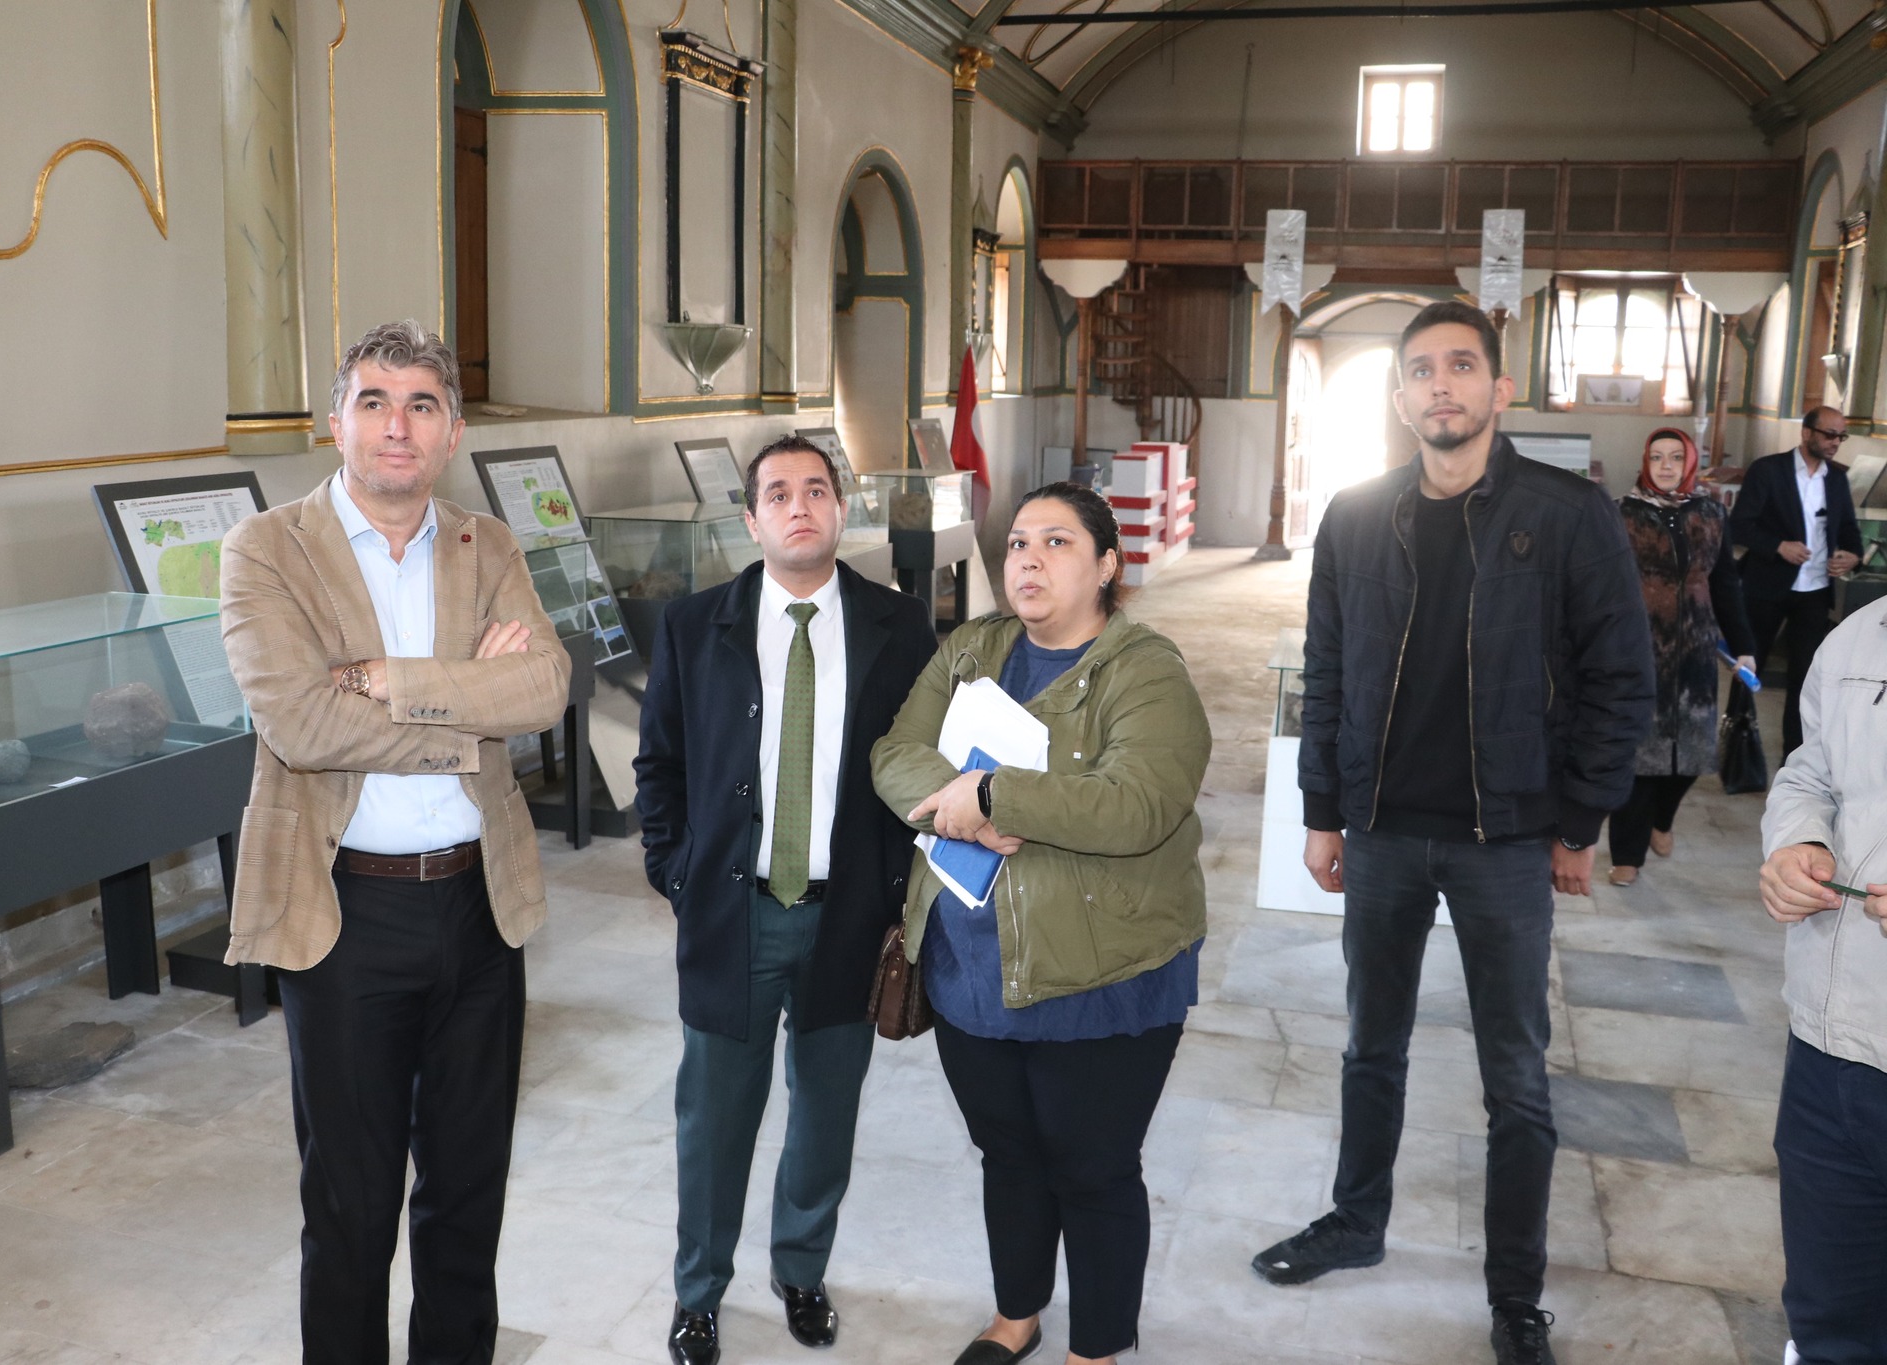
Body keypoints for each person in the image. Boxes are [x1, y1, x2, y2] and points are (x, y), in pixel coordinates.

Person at [1260, 300, 1652, 1365]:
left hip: (1506, 838)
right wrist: (1322, 812)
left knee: (1515, 1079)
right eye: (1423, 369)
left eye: (1462, 366)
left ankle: (1514, 1295)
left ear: (1498, 388)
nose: (1442, 384)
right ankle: (1356, 1220)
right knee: (1368, 1047)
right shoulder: (1354, 516)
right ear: (1400, 397)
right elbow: (1326, 673)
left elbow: (1621, 677)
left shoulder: (1567, 514)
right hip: (1383, 830)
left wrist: (1579, 820)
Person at [218, 320, 572, 1365]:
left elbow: (544, 689)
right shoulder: (266, 550)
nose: (396, 426)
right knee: (351, 1203)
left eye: (422, 404)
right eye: (372, 401)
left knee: (467, 1193)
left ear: (452, 431)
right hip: (344, 915)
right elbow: (303, 725)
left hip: (478, 908)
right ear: (335, 424)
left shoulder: (486, 543)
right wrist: (470, 706)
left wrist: (388, 682)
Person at [871, 482, 1211, 1365]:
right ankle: (1016, 1314)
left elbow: (1140, 803)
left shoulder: (1145, 669)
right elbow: (896, 752)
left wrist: (993, 793)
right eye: (1019, 541)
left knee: (1092, 1168)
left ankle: (1095, 1348)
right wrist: (961, 805)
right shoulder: (973, 649)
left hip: (1100, 972)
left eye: (1057, 542)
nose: (1028, 558)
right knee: (1008, 1153)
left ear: (1106, 565)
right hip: (970, 964)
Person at [634, 435, 935, 1365]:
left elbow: (925, 761)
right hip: (735, 913)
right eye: (777, 493)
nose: (798, 506)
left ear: (841, 509)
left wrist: (900, 892)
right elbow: (660, 763)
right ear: (751, 518)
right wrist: (676, 872)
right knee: (714, 1119)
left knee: (826, 1112)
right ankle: (698, 1293)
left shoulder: (899, 625)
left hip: (850, 915)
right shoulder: (695, 625)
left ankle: (801, 1271)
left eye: (815, 490)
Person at [1757, 592, 1887, 1363]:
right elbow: (1813, 772)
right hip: (1830, 1049)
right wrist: (1796, 841)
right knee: (1829, 1323)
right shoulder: (1857, 640)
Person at [1605, 428, 1756, 886]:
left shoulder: (1711, 514)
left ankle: (1663, 819)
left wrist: (1744, 647)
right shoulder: (1621, 513)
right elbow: (1602, 585)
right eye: (1657, 457)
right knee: (1639, 754)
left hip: (1695, 650)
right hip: (1638, 648)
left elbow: (1725, 584)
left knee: (1690, 753)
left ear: (1689, 463)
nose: (1666, 466)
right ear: (1645, 463)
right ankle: (1627, 856)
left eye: (1675, 457)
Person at [1728, 405, 1862, 759]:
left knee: (1805, 679)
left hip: (1814, 592)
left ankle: (1795, 758)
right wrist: (1778, 546)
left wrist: (1853, 555)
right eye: (1829, 434)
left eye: (1841, 436)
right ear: (1806, 433)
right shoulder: (1768, 471)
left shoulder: (1837, 479)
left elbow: (1849, 529)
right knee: (1748, 670)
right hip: (1766, 588)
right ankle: (1737, 750)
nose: (1836, 442)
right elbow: (1739, 526)